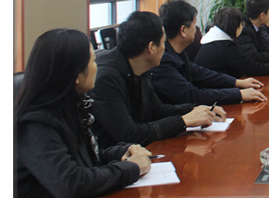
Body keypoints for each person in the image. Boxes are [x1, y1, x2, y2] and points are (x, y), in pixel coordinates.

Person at [14, 29, 152, 198]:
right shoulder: (34, 124)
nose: (97, 67)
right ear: (76, 75)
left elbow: (84, 157)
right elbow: (70, 183)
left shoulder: (70, 105)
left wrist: (121, 152)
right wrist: (132, 168)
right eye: (93, 61)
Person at [89, 12, 223, 148]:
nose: (165, 49)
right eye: (163, 43)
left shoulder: (139, 66)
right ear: (151, 47)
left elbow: (156, 110)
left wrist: (195, 109)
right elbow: (128, 134)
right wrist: (182, 121)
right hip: (116, 155)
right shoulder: (106, 78)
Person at [150, 0, 267, 106]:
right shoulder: (163, 61)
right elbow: (192, 95)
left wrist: (237, 82)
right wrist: (238, 94)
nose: (196, 28)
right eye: (194, 23)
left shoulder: (178, 53)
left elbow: (201, 73)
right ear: (183, 30)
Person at [195, 7, 269, 78]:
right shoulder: (226, 47)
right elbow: (252, 68)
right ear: (236, 26)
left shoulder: (211, 40)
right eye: (241, 24)